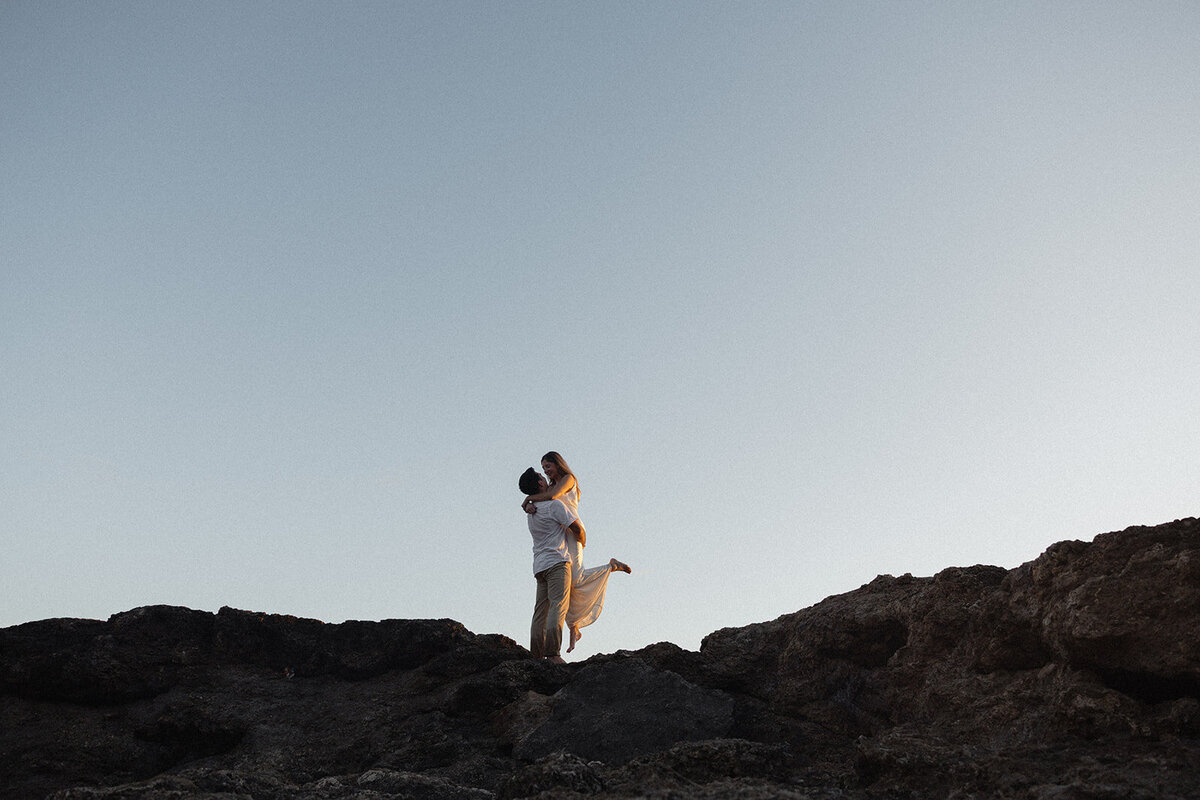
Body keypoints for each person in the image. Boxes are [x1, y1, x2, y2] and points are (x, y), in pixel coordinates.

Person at [522, 451, 630, 653]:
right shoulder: (548, 490)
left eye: (548, 466)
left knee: (575, 579)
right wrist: (530, 503)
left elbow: (553, 498)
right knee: (566, 585)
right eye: (543, 468)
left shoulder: (567, 479)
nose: (546, 470)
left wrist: (528, 499)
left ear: (557, 463)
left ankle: (610, 566)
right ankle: (574, 625)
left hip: (572, 530)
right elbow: (548, 499)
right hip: (560, 531)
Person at [519, 466, 582, 663]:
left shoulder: (532, 512)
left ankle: (536, 656)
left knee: (540, 611)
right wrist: (583, 540)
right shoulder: (554, 505)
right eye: (541, 475)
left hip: (539, 566)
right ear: (539, 483)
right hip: (557, 562)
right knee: (557, 607)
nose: (545, 477)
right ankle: (553, 654)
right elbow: (576, 527)